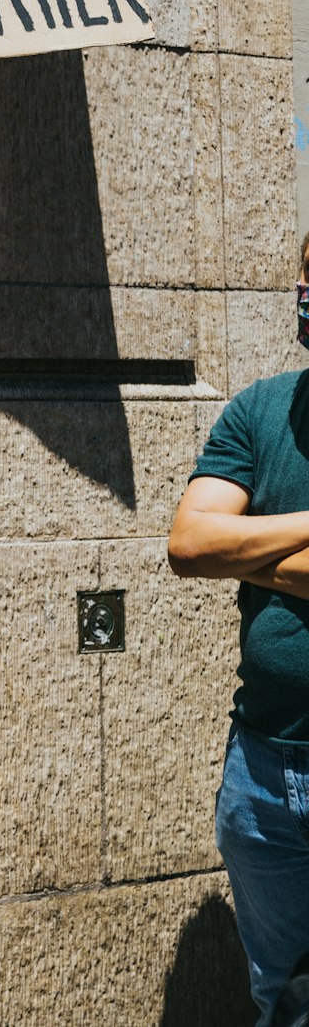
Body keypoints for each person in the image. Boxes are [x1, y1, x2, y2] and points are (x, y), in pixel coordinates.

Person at [168, 230, 309, 1025]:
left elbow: (222, 546)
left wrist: (250, 552)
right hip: (265, 773)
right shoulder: (261, 410)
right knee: (285, 1001)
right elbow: (191, 544)